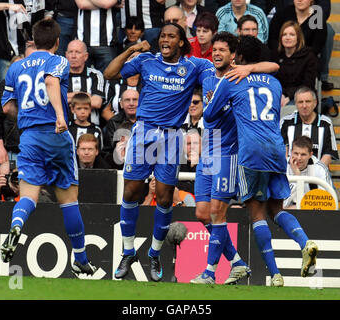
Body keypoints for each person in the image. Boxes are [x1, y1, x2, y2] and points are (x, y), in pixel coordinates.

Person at [104, 22, 280, 282]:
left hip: (173, 135)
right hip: (143, 132)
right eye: (162, 36)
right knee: (130, 191)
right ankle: (128, 252)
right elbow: (109, 73)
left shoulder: (196, 66)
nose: (165, 40)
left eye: (171, 36)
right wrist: (132, 48)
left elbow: (230, 70)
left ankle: (154, 253)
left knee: (164, 198)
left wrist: (247, 66)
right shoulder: (145, 60)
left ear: (182, 43)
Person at [205, 35, 318, 286]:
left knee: (256, 214)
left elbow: (210, 115)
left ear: (239, 57)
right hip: (277, 149)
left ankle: (275, 275)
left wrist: (222, 99)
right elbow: (273, 74)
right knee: (277, 209)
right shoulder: (274, 83)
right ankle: (305, 242)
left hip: (251, 151)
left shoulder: (232, 79)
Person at [0, 18, 96, 276]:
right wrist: (59, 116)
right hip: (56, 134)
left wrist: (28, 116)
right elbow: (51, 82)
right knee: (69, 199)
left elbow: (7, 107)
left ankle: (17, 226)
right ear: (56, 42)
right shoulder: (58, 60)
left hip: (29, 137)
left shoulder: (16, 67)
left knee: (28, 195)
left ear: (33, 39)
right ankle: (80, 258)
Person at [190, 32, 251, 285]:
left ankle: (210, 273)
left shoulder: (239, 79)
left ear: (233, 55)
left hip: (229, 153)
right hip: (208, 152)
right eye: (214, 49)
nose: (216, 54)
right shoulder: (205, 72)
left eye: (222, 50)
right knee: (202, 214)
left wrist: (250, 68)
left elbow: (272, 68)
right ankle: (237, 263)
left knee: (217, 212)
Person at [280, 86, 339, 167]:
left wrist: (316, 172)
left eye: (308, 101)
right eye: (300, 102)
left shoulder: (325, 123)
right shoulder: (286, 122)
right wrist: (292, 171)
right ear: (296, 104)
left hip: (317, 176)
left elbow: (329, 153)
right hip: (291, 174)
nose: (304, 105)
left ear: (315, 103)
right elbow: (283, 151)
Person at [274, 20, 317, 109]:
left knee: (290, 108)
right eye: (284, 34)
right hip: (279, 95)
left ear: (298, 38)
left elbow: (308, 84)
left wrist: (289, 96)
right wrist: (281, 94)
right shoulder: (275, 56)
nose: (287, 37)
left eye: (292, 35)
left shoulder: (308, 56)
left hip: (301, 96)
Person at [283, 135, 334, 209]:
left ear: (310, 154)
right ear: (291, 152)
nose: (299, 158)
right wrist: (296, 177)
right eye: (296, 153)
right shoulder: (281, 167)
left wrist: (299, 207)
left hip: (312, 214)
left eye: (303, 154)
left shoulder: (320, 169)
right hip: (285, 213)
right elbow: (280, 205)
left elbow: (326, 205)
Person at [65, 39, 105, 128]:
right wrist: (85, 95)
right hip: (65, 128)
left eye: (77, 52)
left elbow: (97, 102)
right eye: (70, 52)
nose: (73, 56)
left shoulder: (95, 75)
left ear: (86, 56)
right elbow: (56, 100)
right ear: (66, 55)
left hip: (91, 129)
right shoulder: (59, 76)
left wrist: (68, 96)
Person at [75, 0, 119, 73]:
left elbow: (107, 4)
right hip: (84, 42)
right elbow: (81, 4)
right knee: (85, 80)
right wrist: (103, 5)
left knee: (106, 80)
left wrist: (105, 4)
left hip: (106, 42)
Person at [103, 88, 138, 154]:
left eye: (135, 100)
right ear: (121, 104)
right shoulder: (113, 122)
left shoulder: (148, 121)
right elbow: (108, 151)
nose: (131, 103)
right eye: (127, 100)